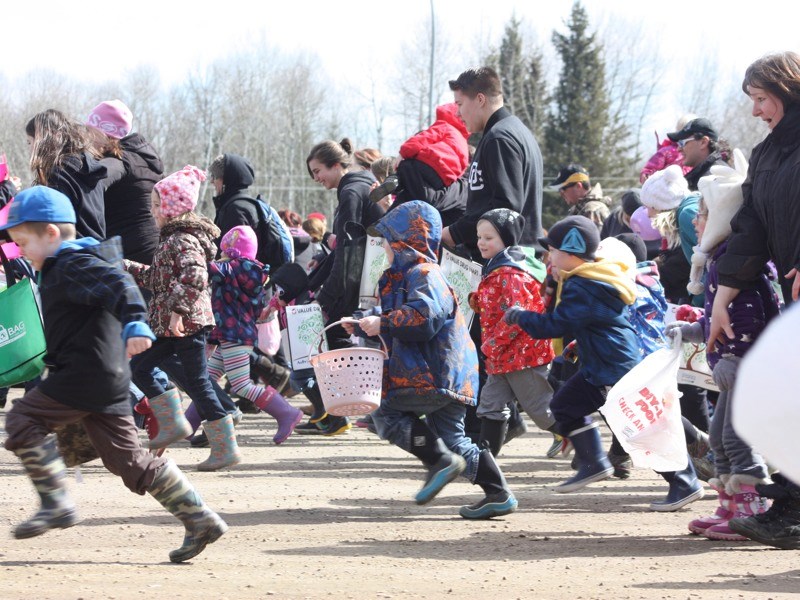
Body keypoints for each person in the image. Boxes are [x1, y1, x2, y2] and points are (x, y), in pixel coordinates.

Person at [1, 186, 226, 562]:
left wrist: (136, 323)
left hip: (83, 375)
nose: (20, 251)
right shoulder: (70, 262)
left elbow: (119, 284)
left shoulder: (74, 263)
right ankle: (199, 518)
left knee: (22, 418)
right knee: (128, 460)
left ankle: (55, 502)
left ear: (51, 235)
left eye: (24, 242)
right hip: (106, 380)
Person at [345, 200, 517, 519]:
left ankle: (438, 461)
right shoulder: (409, 275)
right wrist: (368, 324)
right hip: (446, 375)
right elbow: (403, 321)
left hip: (432, 374)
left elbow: (425, 317)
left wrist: (382, 322)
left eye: (389, 241)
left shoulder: (423, 272)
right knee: (455, 441)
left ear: (407, 242)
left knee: (386, 413)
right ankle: (498, 493)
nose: (384, 247)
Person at [707, 51, 800, 549]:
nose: (755, 111)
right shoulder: (765, 156)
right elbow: (750, 232)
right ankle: (788, 508)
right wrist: (723, 296)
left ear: (788, 92)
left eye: (762, 99)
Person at [669, 169, 778, 541]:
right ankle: (731, 504)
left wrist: (734, 358)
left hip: (746, 366)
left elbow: (747, 316)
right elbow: (719, 318)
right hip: (735, 366)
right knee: (718, 436)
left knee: (736, 435)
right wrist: (690, 331)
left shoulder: (736, 264)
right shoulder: (721, 259)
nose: (695, 222)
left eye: (701, 215)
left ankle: (754, 505)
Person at [503, 215, 640, 493]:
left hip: (610, 363)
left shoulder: (583, 284)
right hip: (606, 359)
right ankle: (594, 462)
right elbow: (597, 321)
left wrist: (519, 316)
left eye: (552, 250)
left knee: (646, 423)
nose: (548, 256)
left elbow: (555, 325)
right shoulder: (592, 277)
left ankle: (682, 474)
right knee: (565, 406)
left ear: (570, 252)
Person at [126, 166, 241, 471]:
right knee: (140, 366)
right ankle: (173, 422)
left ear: (172, 208)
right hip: (171, 324)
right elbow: (157, 279)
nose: (151, 212)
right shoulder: (171, 239)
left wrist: (178, 312)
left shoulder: (181, 240)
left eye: (155, 205)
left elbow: (195, 276)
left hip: (185, 324)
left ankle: (225, 447)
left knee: (199, 383)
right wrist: (124, 266)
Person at [468, 208, 558, 457]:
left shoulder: (510, 273)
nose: (481, 243)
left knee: (542, 410)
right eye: (479, 236)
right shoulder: (497, 268)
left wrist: (491, 345)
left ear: (506, 239)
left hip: (522, 356)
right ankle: (486, 461)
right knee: (490, 405)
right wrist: (478, 299)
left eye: (489, 238)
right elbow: (500, 304)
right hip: (503, 356)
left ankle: (584, 444)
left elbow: (517, 317)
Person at [205, 225, 302, 444]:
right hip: (230, 336)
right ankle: (189, 425)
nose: (220, 256)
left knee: (240, 385)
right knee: (206, 379)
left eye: (223, 251)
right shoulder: (251, 271)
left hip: (234, 337)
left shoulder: (234, 268)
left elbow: (210, 270)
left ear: (231, 251)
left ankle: (286, 413)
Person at [208, 153, 292, 393]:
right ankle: (251, 389)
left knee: (237, 337)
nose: (214, 183)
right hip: (254, 282)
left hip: (238, 287)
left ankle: (272, 376)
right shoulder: (249, 204)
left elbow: (234, 254)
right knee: (244, 336)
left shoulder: (235, 208)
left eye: (216, 178)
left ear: (226, 180)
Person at [442, 66, 544, 258]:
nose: (457, 113)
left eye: (460, 104)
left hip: (508, 265)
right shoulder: (512, 131)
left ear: (480, 99)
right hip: (512, 261)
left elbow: (505, 210)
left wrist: (454, 233)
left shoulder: (500, 138)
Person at [306, 138, 384, 347]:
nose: (316, 178)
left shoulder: (351, 194)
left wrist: (325, 300)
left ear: (336, 165)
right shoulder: (361, 184)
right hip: (378, 280)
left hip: (369, 283)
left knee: (333, 336)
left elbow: (349, 255)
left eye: (317, 171)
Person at [86, 99, 163, 264]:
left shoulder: (120, 161)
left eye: (90, 130)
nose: (87, 136)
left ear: (104, 132)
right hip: (152, 248)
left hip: (132, 255)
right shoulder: (144, 160)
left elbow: (93, 179)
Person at [26, 109, 107, 240]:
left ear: (45, 139)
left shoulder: (58, 174)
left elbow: (49, 223)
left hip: (71, 253)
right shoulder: (86, 166)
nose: (29, 149)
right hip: (96, 252)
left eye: (30, 142)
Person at [666, 117, 730, 191]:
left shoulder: (715, 179)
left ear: (703, 142)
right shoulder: (704, 176)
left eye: (682, 143)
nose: (678, 149)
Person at [549, 164, 612, 230]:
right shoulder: (580, 208)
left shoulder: (592, 210)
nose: (561, 194)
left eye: (562, 189)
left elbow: (592, 240)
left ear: (578, 186)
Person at [639, 113, 696, 184]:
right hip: (665, 187)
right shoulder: (667, 151)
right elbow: (650, 167)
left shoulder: (694, 154)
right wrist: (647, 176)